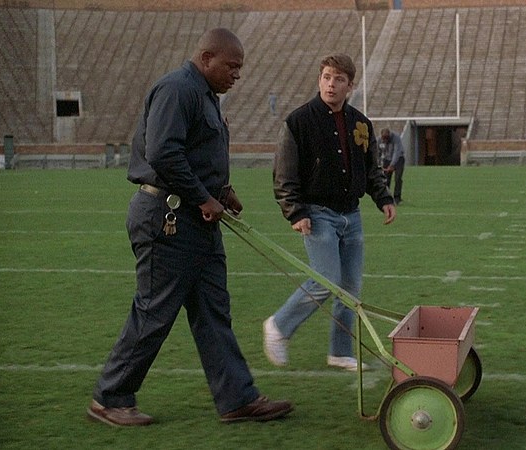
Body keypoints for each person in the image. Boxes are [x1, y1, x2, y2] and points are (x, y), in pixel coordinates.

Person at [88, 28, 292, 427]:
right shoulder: (177, 89)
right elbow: (163, 152)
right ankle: (109, 399)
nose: (237, 74)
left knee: (214, 312)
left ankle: (237, 398)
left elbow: (197, 152)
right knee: (154, 311)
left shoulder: (205, 95)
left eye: (240, 68)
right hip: (168, 219)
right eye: (232, 66)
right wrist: (203, 198)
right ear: (206, 58)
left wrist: (222, 191)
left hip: (195, 221)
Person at [264, 53, 396, 371]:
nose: (331, 84)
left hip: (352, 215)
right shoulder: (298, 121)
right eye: (326, 77)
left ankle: (340, 351)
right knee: (326, 280)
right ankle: (279, 326)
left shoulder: (361, 123)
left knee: (350, 288)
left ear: (350, 85)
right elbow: (284, 173)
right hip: (317, 213)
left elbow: (371, 168)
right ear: (319, 80)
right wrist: (295, 211)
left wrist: (384, 198)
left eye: (338, 79)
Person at [379, 128, 405, 204]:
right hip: (387, 159)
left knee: (398, 178)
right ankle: (386, 197)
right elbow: (378, 152)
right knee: (385, 179)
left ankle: (397, 198)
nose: (385, 141)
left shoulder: (396, 138)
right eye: (384, 139)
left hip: (399, 159)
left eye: (386, 139)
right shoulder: (379, 140)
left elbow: (396, 152)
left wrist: (392, 165)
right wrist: (379, 164)